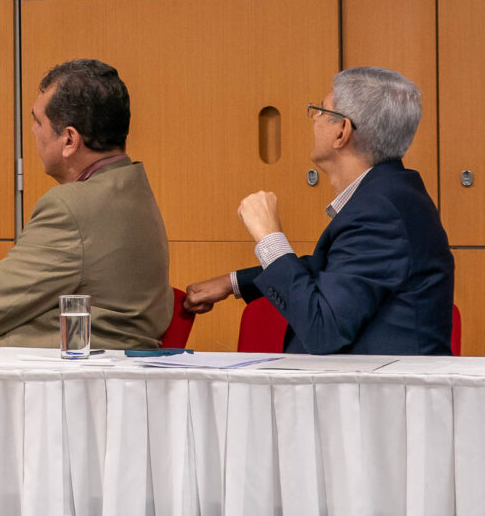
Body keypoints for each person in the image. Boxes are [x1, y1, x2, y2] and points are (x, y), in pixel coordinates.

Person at [184, 67, 455, 355]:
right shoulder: (392, 193)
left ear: (342, 132)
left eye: (321, 110)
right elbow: (335, 269)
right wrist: (233, 282)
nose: (314, 118)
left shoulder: (380, 211)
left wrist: (268, 236)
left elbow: (323, 329)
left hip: (374, 396)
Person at [0, 59, 173, 349]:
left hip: (54, 385)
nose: (34, 131)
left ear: (69, 140)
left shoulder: (71, 208)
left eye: (38, 121)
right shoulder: (133, 189)